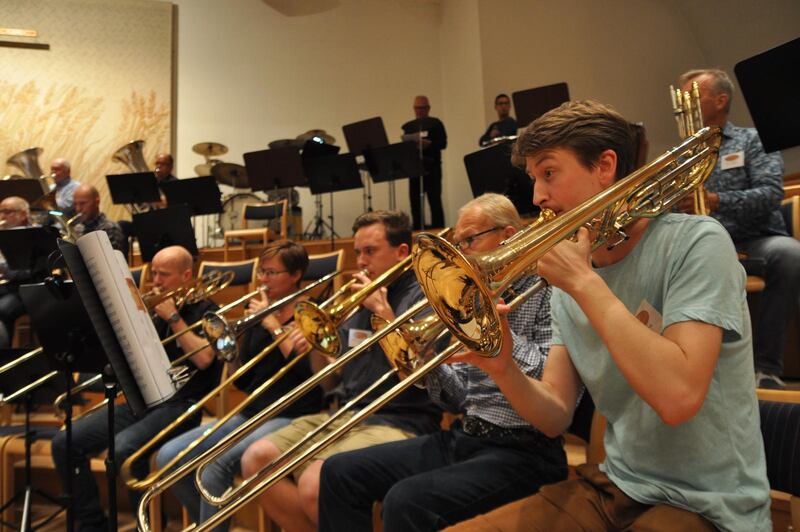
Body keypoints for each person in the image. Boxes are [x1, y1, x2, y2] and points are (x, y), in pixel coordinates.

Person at [446, 100, 770, 531]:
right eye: (533, 179)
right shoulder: (568, 277)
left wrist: (584, 283)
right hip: (618, 487)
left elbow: (678, 399)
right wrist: (504, 367)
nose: (537, 196)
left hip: (710, 505)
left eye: (549, 173)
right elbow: (555, 416)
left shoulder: (697, 243)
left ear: (605, 166)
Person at [318, 193, 564, 532]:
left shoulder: (548, 290)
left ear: (507, 236)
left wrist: (496, 333)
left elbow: (546, 375)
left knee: (406, 501)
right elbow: (458, 395)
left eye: (470, 241)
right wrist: (428, 362)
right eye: (458, 243)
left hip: (525, 450)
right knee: (339, 472)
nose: (461, 254)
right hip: (466, 435)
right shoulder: (472, 298)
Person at [239, 210, 441, 532]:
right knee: (257, 458)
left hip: (403, 420)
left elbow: (422, 377)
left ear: (402, 252)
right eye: (358, 252)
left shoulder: (424, 297)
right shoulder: (357, 298)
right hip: (348, 412)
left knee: (316, 482)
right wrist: (320, 345)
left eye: (370, 251)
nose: (360, 261)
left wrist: (384, 314)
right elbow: (331, 379)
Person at [154, 240, 323, 531]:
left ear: (295, 275)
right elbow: (243, 377)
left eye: (272, 273)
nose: (263, 280)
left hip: (292, 414)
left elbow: (309, 373)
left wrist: (273, 326)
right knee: (170, 457)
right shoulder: (260, 313)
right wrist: (229, 353)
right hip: (252, 411)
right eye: (261, 272)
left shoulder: (310, 312)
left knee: (212, 468)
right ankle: (210, 524)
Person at [51, 245, 222, 532]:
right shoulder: (150, 311)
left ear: (187, 275)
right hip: (142, 400)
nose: (155, 280)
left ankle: (148, 527)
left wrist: (174, 318)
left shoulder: (207, 310)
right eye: (153, 272)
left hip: (183, 404)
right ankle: (93, 525)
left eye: (163, 275)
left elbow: (204, 360)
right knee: (65, 443)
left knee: (124, 451)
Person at [678, 68, 800, 390]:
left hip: (756, 241)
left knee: (790, 254)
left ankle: (767, 368)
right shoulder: (683, 155)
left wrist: (716, 201)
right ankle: (691, 368)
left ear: (721, 100)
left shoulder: (752, 141)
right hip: (704, 246)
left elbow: (771, 193)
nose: (685, 107)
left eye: (694, 97)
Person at [401, 96, 447, 230]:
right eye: (417, 108)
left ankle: (439, 232)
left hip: (432, 167)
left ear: (428, 108)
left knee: (435, 201)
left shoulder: (436, 124)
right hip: (415, 169)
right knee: (415, 203)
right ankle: (417, 232)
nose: (419, 111)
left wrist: (429, 144)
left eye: (422, 108)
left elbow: (443, 143)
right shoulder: (409, 127)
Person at [0, 196, 32, 347]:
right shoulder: (4, 235)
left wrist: (3, 268)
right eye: (1, 212)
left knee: (3, 309)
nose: (2, 216)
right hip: (9, 286)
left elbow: (27, 271)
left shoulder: (32, 235)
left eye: (8, 212)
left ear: (24, 214)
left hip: (27, 288)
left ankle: (5, 355)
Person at [72, 184, 127, 255]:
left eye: (83, 203)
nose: (78, 209)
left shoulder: (110, 228)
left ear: (97, 202)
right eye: (75, 204)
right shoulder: (77, 229)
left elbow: (113, 261)